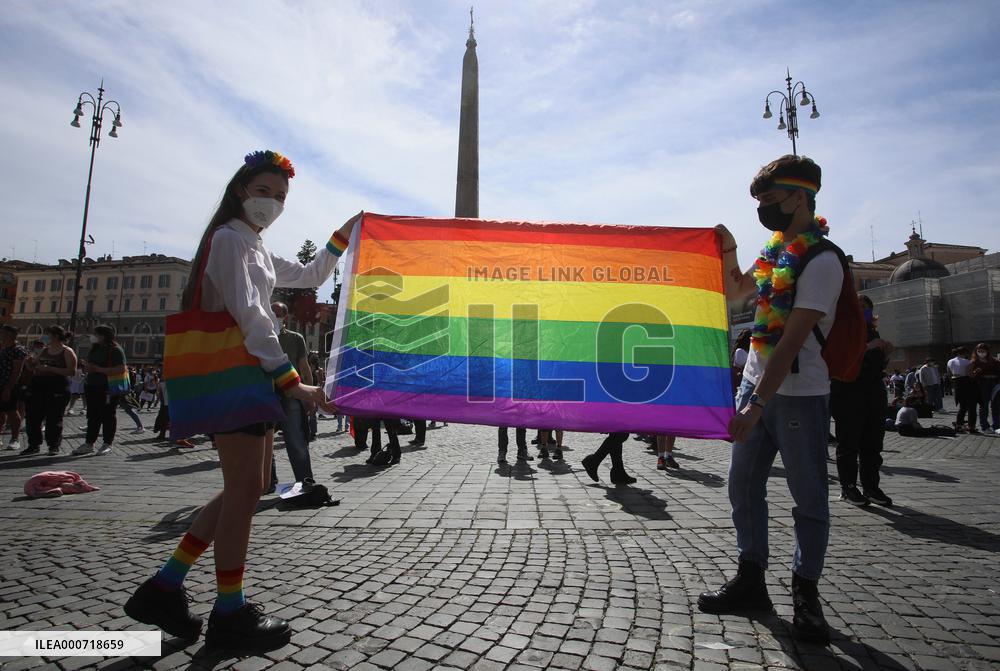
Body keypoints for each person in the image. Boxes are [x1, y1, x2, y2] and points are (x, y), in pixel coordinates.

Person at [123, 150, 354, 652]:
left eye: (282, 197)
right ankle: (228, 613)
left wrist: (343, 235)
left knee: (246, 489)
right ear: (241, 190)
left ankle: (165, 586)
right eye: (265, 192)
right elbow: (253, 319)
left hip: (246, 379)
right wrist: (297, 386)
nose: (273, 203)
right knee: (247, 491)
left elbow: (312, 275)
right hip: (239, 377)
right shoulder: (230, 241)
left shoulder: (253, 245)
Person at [700, 155, 846, 644]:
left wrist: (756, 404)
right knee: (742, 488)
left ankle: (806, 592)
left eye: (769, 200)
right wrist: (729, 248)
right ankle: (751, 579)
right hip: (756, 387)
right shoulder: (777, 253)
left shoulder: (821, 260)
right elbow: (739, 294)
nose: (764, 209)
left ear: (799, 197)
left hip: (799, 394)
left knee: (808, 498)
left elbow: (791, 341)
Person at [830, 295, 893, 507]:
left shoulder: (872, 330)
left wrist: (885, 353)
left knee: (873, 442)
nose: (862, 309)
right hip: (849, 390)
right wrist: (869, 346)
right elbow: (840, 357)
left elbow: (878, 364)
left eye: (866, 306)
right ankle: (848, 486)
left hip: (873, 389)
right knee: (849, 441)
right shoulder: (842, 329)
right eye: (858, 306)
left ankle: (871, 487)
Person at [267, 301, 315, 490]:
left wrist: (310, 395)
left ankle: (305, 480)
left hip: (290, 392)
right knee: (265, 441)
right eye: (271, 311)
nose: (273, 315)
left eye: (277, 312)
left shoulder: (295, 338)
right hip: (265, 394)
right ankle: (269, 481)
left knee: (296, 438)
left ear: (285, 317)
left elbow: (304, 368)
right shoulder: (261, 335)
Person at [72, 324, 128, 456]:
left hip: (107, 387)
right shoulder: (95, 348)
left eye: (95, 334)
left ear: (103, 336)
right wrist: (88, 367)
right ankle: (89, 443)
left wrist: (99, 369)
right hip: (92, 385)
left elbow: (121, 368)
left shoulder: (115, 349)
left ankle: (107, 443)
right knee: (92, 416)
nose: (93, 337)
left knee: (108, 415)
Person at [22, 326, 77, 456]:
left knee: (54, 417)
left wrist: (50, 369)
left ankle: (53, 445)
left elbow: (71, 371)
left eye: (47, 334)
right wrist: (29, 363)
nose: (44, 337)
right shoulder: (44, 350)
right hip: (38, 385)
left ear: (56, 336)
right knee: (33, 416)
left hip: (57, 386)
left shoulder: (67, 351)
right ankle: (33, 444)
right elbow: (33, 366)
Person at [0, 325, 27, 450]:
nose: (1, 335)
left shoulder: (18, 350)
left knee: (12, 411)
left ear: (10, 335)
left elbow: (17, 371)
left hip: (11, 385)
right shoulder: (3, 349)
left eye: (3, 333)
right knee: (1, 412)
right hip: (1, 383)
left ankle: (15, 439)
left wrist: (8, 388)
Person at [969, 343, 1000, 434]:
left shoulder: (994, 361)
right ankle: (985, 426)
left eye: (983, 351)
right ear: (976, 352)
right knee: (984, 406)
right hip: (982, 384)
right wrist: (976, 372)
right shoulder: (974, 362)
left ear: (987, 351)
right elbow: (971, 375)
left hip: (995, 383)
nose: (981, 353)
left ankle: (996, 426)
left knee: (996, 405)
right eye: (979, 351)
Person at [948, 347, 977, 433]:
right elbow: (970, 374)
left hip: (957, 383)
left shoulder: (950, 361)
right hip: (967, 383)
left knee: (962, 407)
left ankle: (959, 425)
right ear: (964, 353)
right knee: (971, 407)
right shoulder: (967, 362)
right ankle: (971, 426)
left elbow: (949, 373)